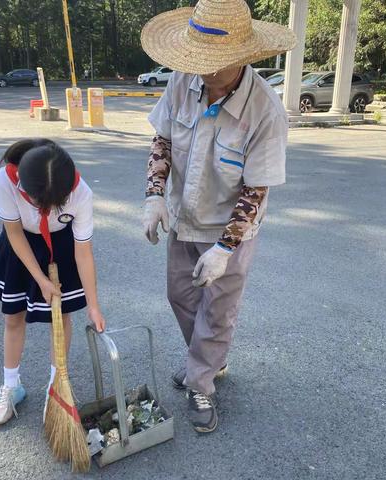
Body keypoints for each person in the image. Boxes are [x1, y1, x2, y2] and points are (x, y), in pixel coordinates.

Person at [141, 0, 296, 433]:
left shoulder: (264, 108)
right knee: (181, 297)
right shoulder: (181, 81)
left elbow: (256, 188)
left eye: (215, 63)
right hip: (184, 217)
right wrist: (154, 196)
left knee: (217, 312)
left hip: (231, 230)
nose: (204, 71)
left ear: (243, 58)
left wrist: (226, 248)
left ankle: (201, 382)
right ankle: (207, 362)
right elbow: (163, 140)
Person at [0, 138, 105, 425]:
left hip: (62, 245)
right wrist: (39, 278)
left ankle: (57, 387)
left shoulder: (81, 192)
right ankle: (11, 386)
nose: (47, 208)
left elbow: (84, 252)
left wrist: (93, 305)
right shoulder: (7, 179)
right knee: (13, 315)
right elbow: (14, 233)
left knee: (60, 317)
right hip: (22, 245)